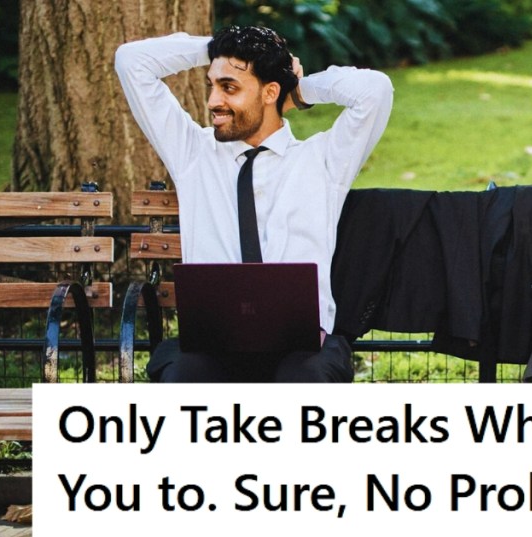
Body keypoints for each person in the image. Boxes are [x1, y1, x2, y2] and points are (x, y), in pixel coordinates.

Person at [115, 26, 393, 382]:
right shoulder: (192, 154)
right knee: (183, 376)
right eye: (212, 85)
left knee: (304, 383)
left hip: (303, 351)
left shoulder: (323, 160)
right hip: (212, 348)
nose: (214, 101)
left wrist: (298, 88)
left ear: (270, 92)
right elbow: (131, 61)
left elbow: (376, 91)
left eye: (229, 87)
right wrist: (220, 49)